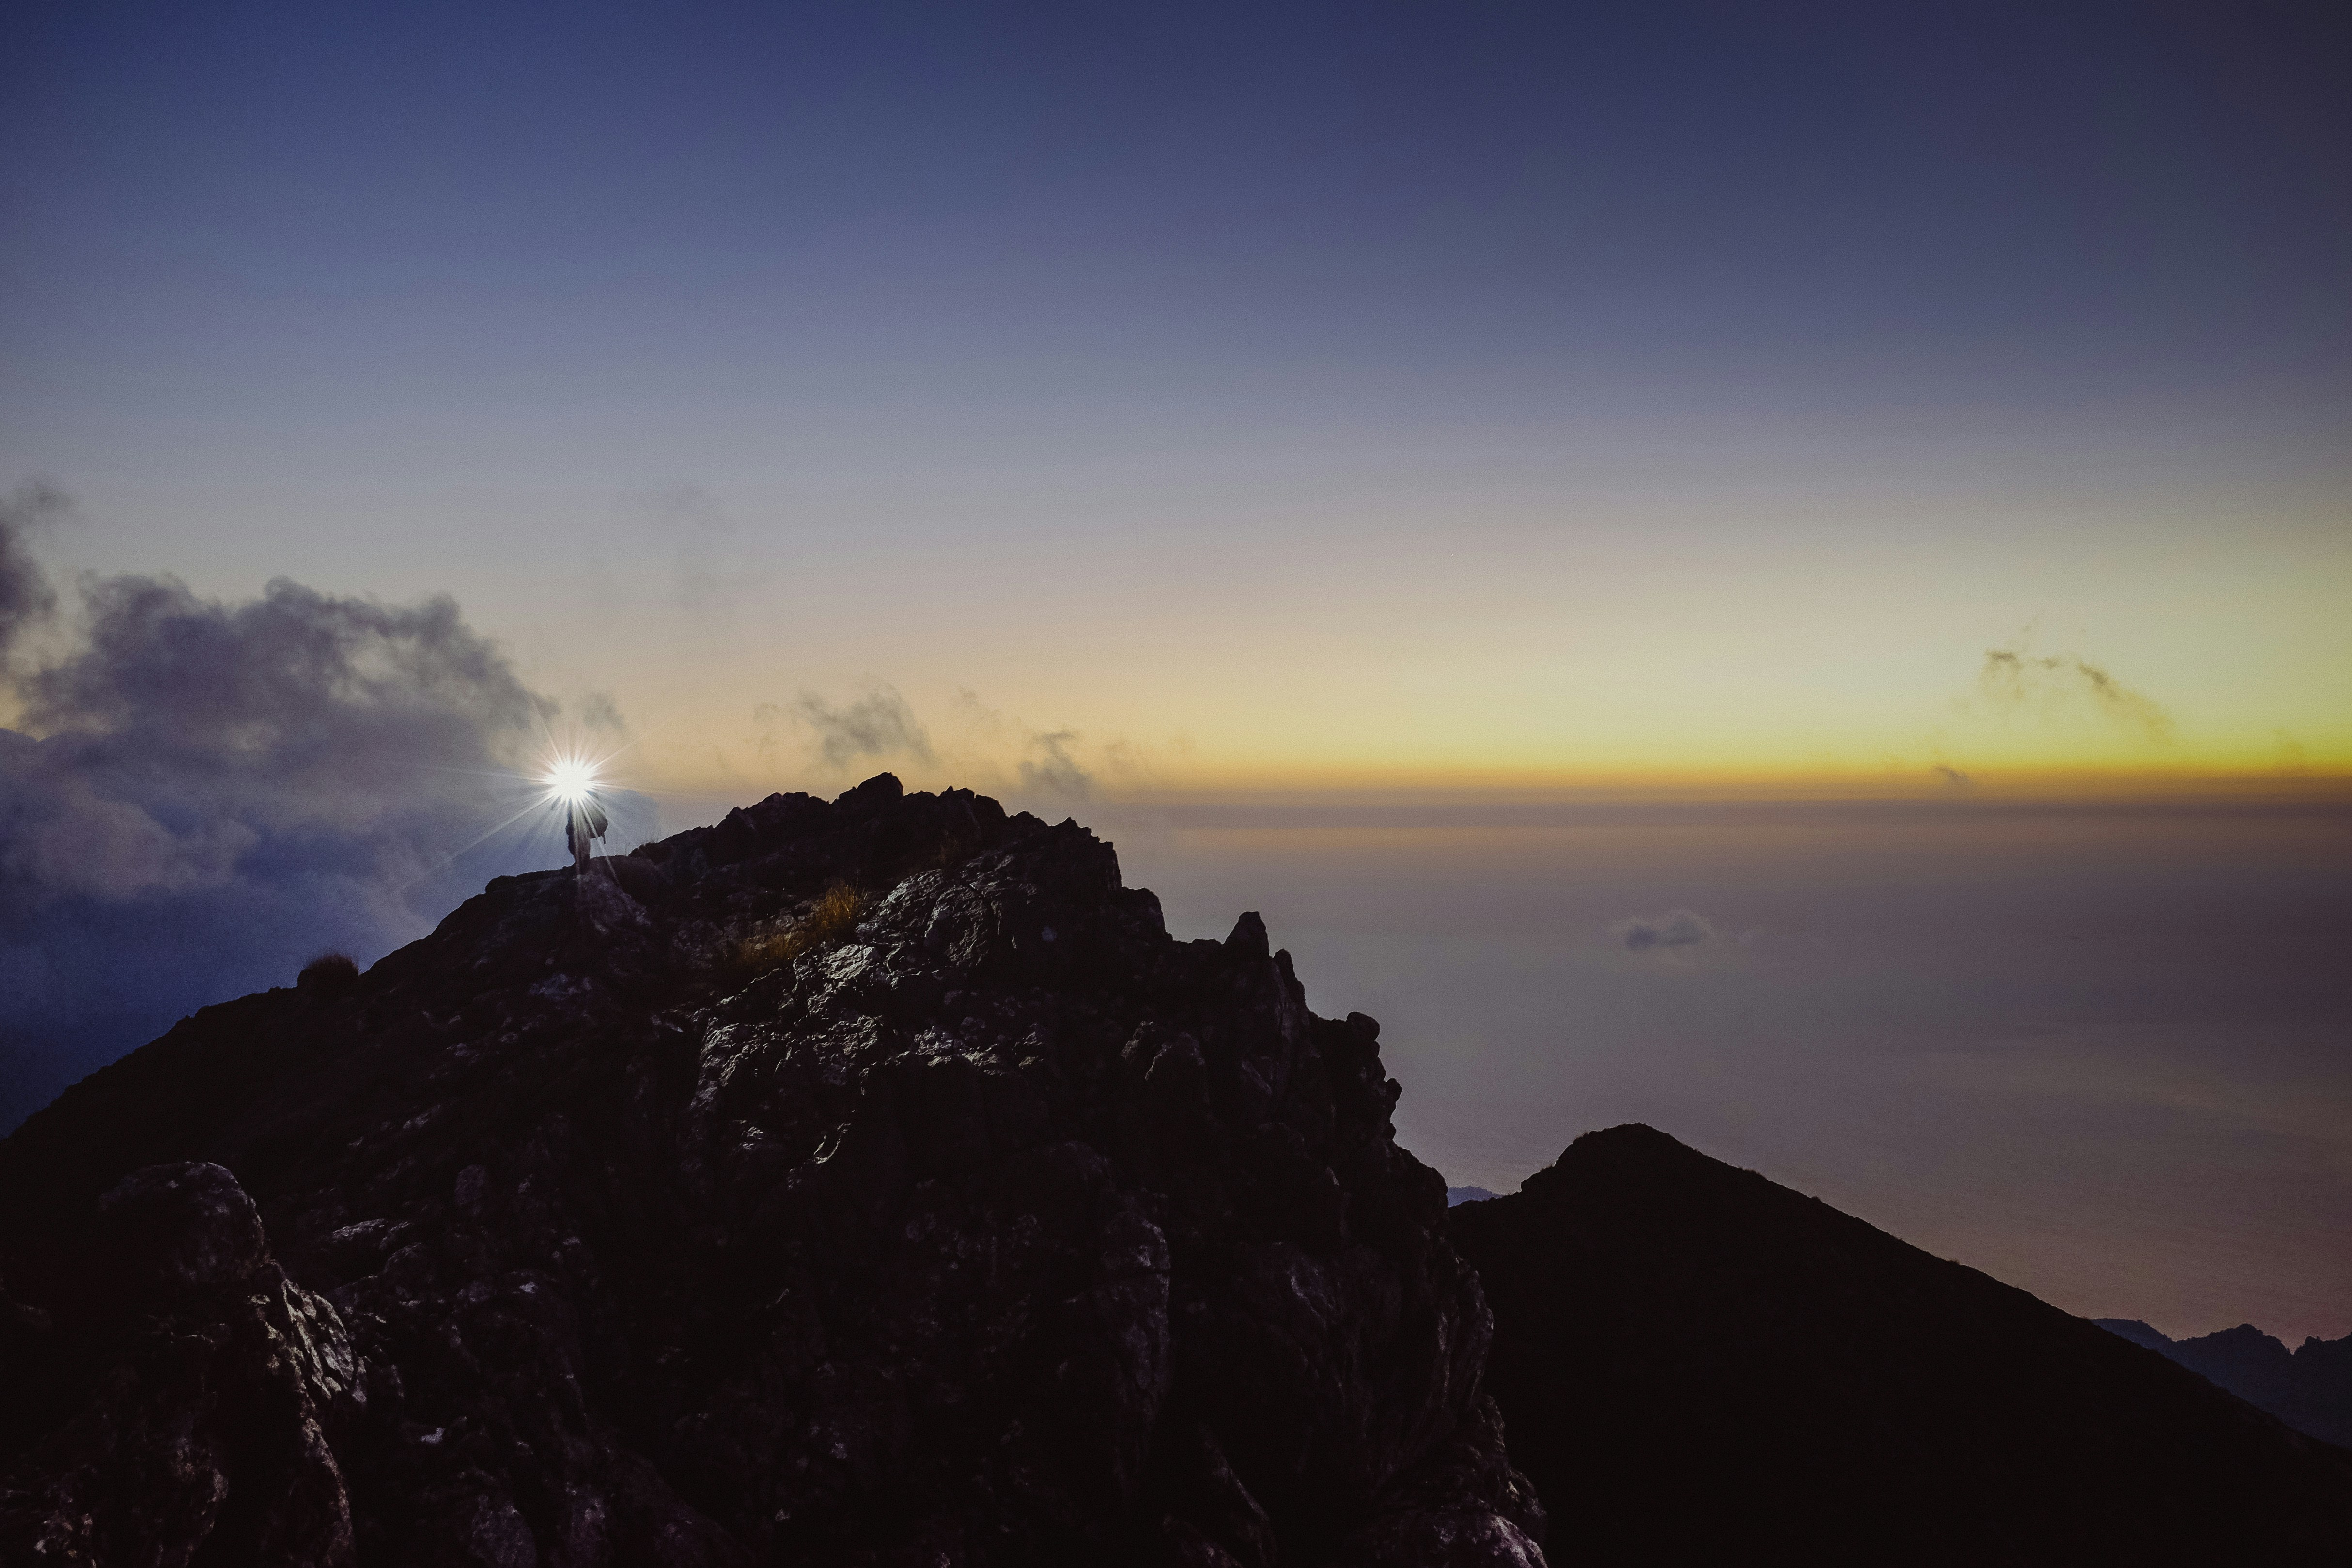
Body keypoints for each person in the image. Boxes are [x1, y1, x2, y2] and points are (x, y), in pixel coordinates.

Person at [566, 791, 610, 872]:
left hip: (594, 824)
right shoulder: (572, 801)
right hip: (583, 825)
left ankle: (585, 859)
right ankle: (581, 860)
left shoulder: (587, 796)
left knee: (581, 829)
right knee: (574, 842)